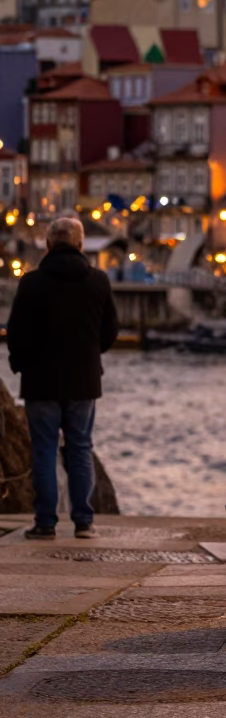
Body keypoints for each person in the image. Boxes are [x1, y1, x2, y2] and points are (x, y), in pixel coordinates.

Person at [7, 216, 119, 540]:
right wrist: (91, 356)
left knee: (43, 450)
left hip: (40, 382)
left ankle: (45, 522)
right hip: (83, 381)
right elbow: (111, 329)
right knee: (80, 448)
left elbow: (15, 334)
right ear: (81, 244)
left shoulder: (31, 283)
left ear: (48, 244)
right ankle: (84, 522)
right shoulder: (98, 281)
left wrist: (21, 363)